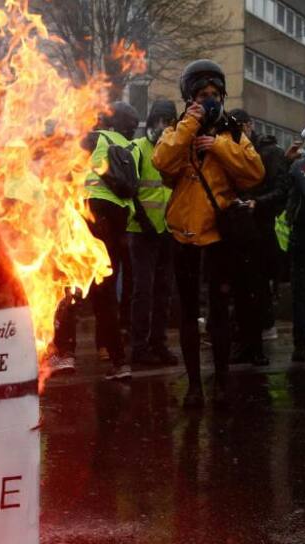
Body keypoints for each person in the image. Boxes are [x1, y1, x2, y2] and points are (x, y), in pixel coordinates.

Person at [152, 60, 266, 409]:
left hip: (219, 235)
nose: (211, 99)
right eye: (203, 95)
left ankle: (221, 382)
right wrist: (191, 125)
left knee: (219, 310)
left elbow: (254, 172)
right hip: (184, 233)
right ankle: (194, 386)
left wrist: (217, 146)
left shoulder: (232, 133)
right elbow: (162, 160)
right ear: (190, 97)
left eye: (216, 94)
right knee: (188, 312)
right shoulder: (178, 129)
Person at [49, 101, 140, 380]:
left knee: (71, 284)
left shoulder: (96, 137)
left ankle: (65, 354)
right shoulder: (133, 148)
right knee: (106, 291)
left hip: (89, 212)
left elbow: (66, 168)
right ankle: (118, 361)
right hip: (118, 220)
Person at [233, 116, 290, 362]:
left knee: (256, 289)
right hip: (240, 229)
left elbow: (280, 189)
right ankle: (246, 343)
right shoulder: (235, 150)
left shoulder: (268, 152)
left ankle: (256, 344)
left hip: (261, 229)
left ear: (248, 126)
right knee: (242, 290)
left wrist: (258, 203)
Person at [128, 100, 179, 368]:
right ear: (151, 121)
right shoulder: (138, 149)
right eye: (160, 120)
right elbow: (129, 188)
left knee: (163, 291)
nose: (164, 125)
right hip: (142, 230)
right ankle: (139, 347)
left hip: (167, 230)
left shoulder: (173, 151)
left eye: (169, 120)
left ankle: (158, 344)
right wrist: (142, 217)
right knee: (143, 291)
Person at [284, 143, 305, 362]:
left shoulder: (298, 167)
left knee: (300, 292)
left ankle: (300, 344)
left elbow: (290, 200)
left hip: (302, 233)